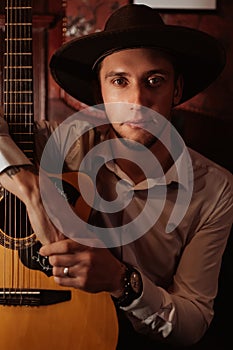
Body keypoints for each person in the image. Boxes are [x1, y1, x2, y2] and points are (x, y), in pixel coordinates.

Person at [0, 3, 233, 349]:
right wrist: (32, 189)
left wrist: (120, 281)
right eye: (119, 81)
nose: (138, 100)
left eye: (155, 81)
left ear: (178, 89)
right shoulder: (56, 146)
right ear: (100, 94)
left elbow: (193, 322)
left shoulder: (214, 188)